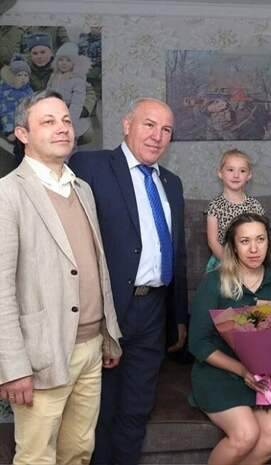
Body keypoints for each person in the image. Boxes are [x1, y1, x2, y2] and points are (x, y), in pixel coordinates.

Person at [0, 90, 122, 465]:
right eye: (49, 121)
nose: (62, 128)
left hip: (90, 348)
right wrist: (12, 368)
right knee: (37, 456)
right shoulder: (7, 194)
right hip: (41, 354)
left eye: (66, 120)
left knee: (79, 451)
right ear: (23, 134)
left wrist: (107, 334)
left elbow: (96, 266)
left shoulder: (82, 188)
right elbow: (1, 290)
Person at [69, 97, 188, 465]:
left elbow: (178, 253)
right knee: (100, 410)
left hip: (153, 311)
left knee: (136, 408)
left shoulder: (172, 183)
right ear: (126, 125)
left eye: (166, 129)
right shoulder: (90, 166)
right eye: (149, 124)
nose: (157, 136)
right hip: (107, 309)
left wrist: (178, 317)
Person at [189, 213, 271, 465]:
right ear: (234, 246)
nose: (254, 249)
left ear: (268, 242)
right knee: (246, 435)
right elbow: (198, 343)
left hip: (262, 377)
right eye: (245, 241)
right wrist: (242, 370)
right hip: (220, 372)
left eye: (260, 239)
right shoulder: (214, 282)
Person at [206, 148, 265, 273]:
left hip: (251, 258)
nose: (236, 175)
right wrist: (232, 263)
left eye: (242, 171)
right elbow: (213, 241)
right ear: (220, 173)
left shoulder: (255, 205)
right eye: (230, 170)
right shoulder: (215, 206)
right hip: (223, 260)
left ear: (249, 175)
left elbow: (262, 237)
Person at [46, 42, 92, 138]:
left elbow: (77, 102)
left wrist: (69, 120)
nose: (64, 63)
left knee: (68, 138)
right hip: (54, 114)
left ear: (74, 63)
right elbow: (47, 93)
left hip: (69, 115)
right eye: (61, 60)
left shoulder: (77, 80)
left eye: (68, 60)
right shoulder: (54, 77)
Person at [0, 54, 33, 142]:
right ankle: (9, 132)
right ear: (11, 76)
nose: (23, 78)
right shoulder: (4, 89)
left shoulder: (28, 90)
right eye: (19, 75)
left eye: (26, 75)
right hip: (6, 119)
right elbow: (5, 110)